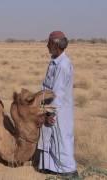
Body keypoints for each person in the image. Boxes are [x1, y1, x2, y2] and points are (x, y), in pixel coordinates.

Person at [36, 31, 79, 178]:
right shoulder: (55, 61)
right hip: (50, 105)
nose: (47, 45)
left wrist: (50, 112)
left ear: (55, 44)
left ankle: (68, 170)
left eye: (48, 43)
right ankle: (49, 166)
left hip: (58, 109)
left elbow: (57, 92)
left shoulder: (63, 65)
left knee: (60, 138)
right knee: (49, 136)